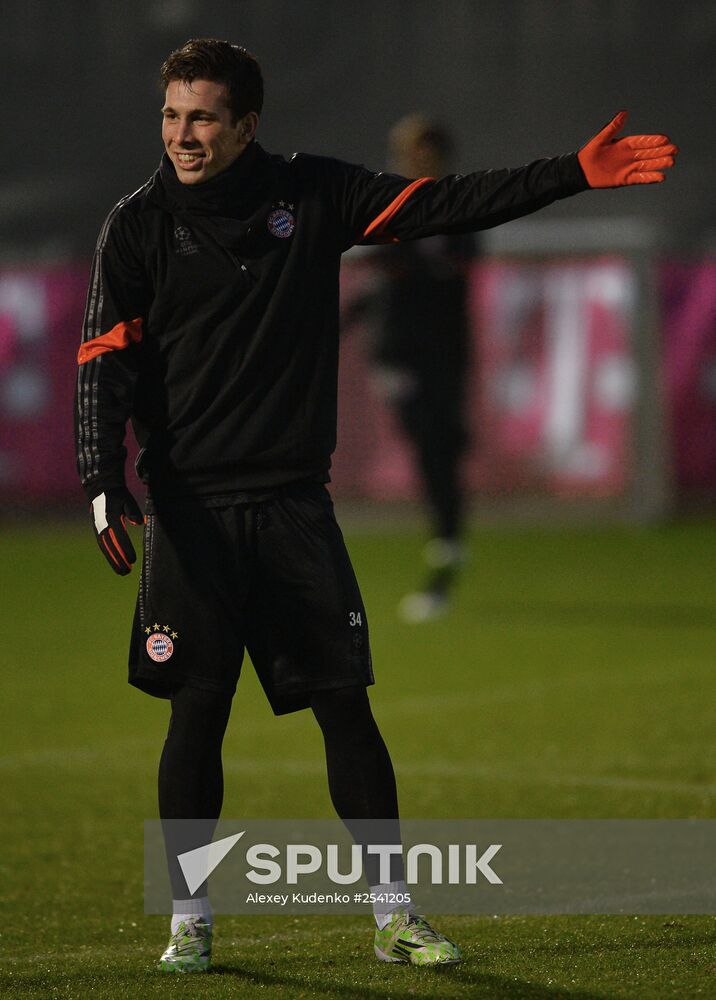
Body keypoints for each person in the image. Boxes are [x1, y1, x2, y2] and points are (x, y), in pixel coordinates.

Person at [74, 37, 677, 972]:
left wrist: (574, 173)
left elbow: (444, 204)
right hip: (190, 513)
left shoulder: (310, 194)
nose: (181, 135)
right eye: (170, 115)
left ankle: (394, 914)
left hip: (293, 507)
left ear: (246, 125)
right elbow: (103, 361)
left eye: (200, 117)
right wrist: (102, 481)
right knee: (196, 715)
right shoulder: (137, 225)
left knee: (346, 709)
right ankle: (189, 916)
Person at [348, 114, 476, 622]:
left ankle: (446, 544)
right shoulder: (387, 205)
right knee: (429, 441)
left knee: (439, 444)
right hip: (397, 350)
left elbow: (452, 270)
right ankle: (446, 538)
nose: (410, 160)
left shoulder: (459, 207)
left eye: (420, 151)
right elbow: (378, 278)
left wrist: (404, 261)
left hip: (442, 350)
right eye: (405, 151)